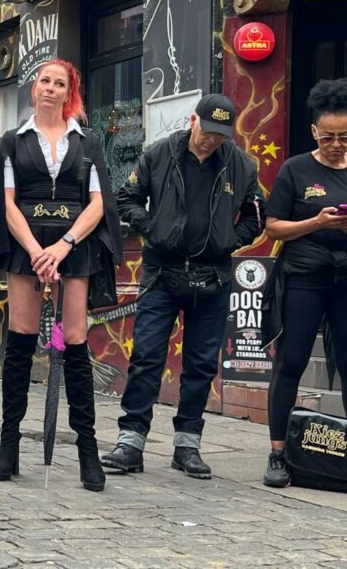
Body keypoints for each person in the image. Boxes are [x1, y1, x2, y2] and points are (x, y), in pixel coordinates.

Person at [102, 93, 264, 479]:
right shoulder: (159, 154)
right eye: (207, 131)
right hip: (162, 272)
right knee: (146, 357)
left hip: (214, 276)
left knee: (201, 365)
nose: (211, 140)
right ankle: (131, 441)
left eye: (220, 135)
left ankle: (187, 445)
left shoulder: (241, 165)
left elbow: (257, 214)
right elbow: (126, 198)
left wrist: (230, 240)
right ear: (193, 121)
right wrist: (152, 227)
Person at [0, 59, 121, 492]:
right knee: (21, 341)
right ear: (34, 88)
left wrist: (63, 246)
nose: (50, 89)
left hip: (74, 248)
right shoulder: (13, 140)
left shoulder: (88, 141)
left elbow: (98, 203)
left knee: (72, 343)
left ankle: (87, 450)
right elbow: (7, 202)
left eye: (60, 84)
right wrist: (37, 251)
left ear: (68, 93)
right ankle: (8, 443)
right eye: (45, 81)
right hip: (27, 248)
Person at [262, 79, 347, 487]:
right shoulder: (295, 169)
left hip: (345, 279)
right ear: (314, 131)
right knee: (291, 362)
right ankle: (278, 454)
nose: (336, 145)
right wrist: (316, 222)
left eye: (344, 137)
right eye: (328, 137)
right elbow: (273, 227)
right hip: (304, 278)